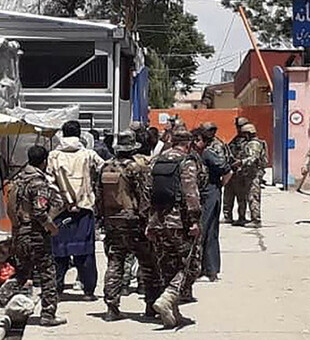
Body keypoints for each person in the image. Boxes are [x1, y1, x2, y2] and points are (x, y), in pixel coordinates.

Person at [0, 145, 67, 327]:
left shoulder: (18, 180)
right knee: (48, 274)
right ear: (44, 161)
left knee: (21, 273)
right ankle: (48, 314)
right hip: (36, 235)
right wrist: (51, 227)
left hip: (19, 234)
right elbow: (39, 210)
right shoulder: (38, 183)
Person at [96, 130, 160, 321]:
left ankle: (111, 307)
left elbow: (98, 196)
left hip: (112, 222)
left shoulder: (105, 167)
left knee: (115, 263)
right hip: (134, 222)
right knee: (148, 264)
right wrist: (149, 221)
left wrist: (102, 219)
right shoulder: (136, 168)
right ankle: (151, 305)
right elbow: (145, 196)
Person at [147, 127, 202, 328]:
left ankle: (173, 313)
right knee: (191, 265)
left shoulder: (156, 161)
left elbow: (147, 192)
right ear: (188, 144)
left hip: (158, 221)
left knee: (168, 265)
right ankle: (168, 297)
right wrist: (194, 220)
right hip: (179, 222)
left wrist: (150, 222)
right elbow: (190, 194)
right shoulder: (186, 162)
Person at [47, 120, 104, 300]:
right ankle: (88, 291)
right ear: (79, 135)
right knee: (85, 251)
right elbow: (104, 169)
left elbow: (49, 181)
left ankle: (57, 289)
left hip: (59, 211)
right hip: (84, 209)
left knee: (58, 252)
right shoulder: (89, 154)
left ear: (63, 134)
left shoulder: (53, 156)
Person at [193, 126, 232, 282]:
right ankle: (205, 268)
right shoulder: (197, 154)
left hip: (210, 195)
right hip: (203, 195)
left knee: (206, 231)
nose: (195, 143)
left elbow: (228, 171)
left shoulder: (208, 154)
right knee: (204, 232)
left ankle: (210, 270)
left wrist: (219, 186)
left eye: (197, 140)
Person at [235, 123, 268, 228]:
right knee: (242, 197)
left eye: (244, 134)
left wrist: (241, 162)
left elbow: (253, 158)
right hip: (247, 174)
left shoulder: (254, 144)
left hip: (253, 174)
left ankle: (256, 220)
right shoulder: (248, 143)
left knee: (253, 197)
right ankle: (242, 218)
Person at [223, 117, 251, 224]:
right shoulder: (236, 140)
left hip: (240, 172)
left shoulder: (248, 141)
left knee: (240, 197)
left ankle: (241, 217)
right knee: (229, 195)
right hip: (233, 171)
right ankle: (228, 216)